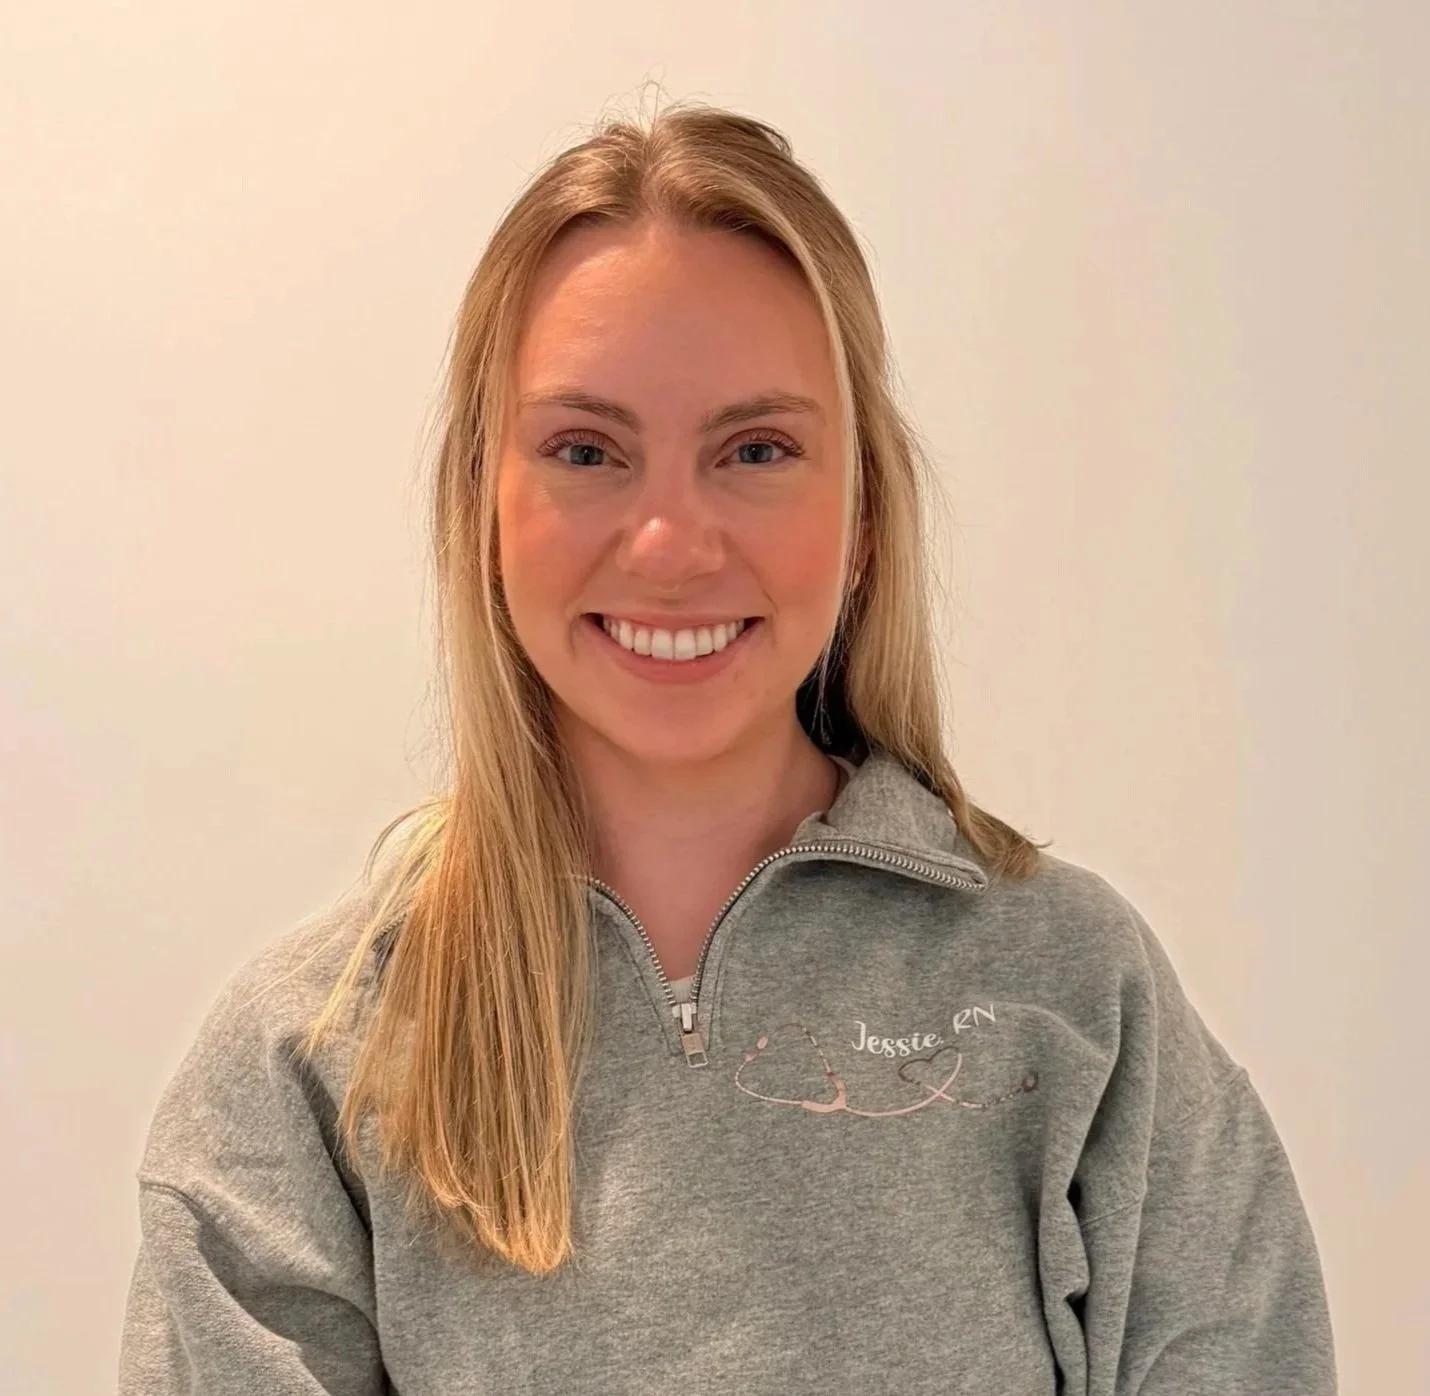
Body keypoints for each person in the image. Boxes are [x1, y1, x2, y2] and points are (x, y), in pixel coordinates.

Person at [118, 101, 1337, 1394]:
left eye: (754, 450)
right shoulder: (300, 1067)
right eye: (586, 450)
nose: (669, 545)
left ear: (863, 512)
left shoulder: (1078, 996)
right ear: (482, 506)